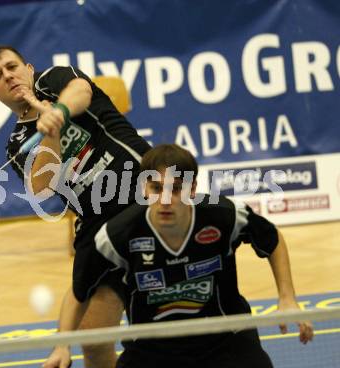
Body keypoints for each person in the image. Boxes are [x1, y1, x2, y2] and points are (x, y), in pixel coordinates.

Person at [45, 144, 314, 367]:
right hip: (152, 349)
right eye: (156, 188)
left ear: (192, 189)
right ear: (143, 187)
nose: (165, 199)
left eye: (175, 189)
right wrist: (62, 345)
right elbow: (79, 291)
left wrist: (287, 298)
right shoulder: (118, 234)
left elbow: (272, 239)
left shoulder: (224, 215)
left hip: (226, 339)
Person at [0, 45, 151, 368]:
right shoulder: (17, 143)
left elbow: (81, 92)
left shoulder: (55, 80)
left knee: (160, 333)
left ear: (28, 68)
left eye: (12, 66)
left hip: (144, 195)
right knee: (93, 340)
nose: (8, 76)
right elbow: (40, 185)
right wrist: (50, 132)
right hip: (98, 223)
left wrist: (56, 111)